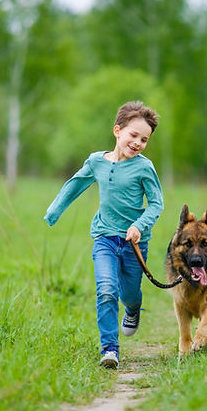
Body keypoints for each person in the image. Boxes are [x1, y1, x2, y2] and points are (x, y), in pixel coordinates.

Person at [44, 101, 164, 369]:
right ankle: (110, 349)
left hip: (134, 243)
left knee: (129, 294)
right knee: (107, 289)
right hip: (104, 238)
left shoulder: (144, 168)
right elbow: (75, 184)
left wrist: (140, 226)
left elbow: (157, 203)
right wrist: (54, 212)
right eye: (133, 135)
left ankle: (133, 309)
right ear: (117, 131)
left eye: (144, 139)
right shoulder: (96, 161)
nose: (138, 143)